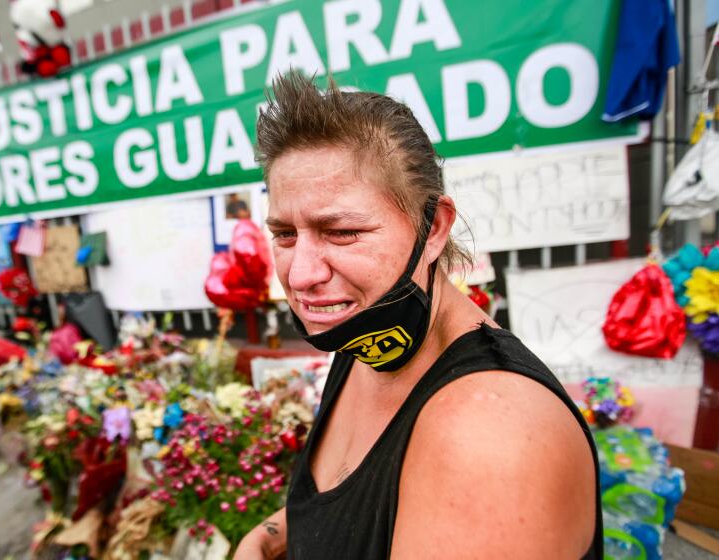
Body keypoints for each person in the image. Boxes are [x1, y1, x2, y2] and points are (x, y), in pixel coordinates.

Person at [235, 73, 600, 559]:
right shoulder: (371, 337)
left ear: (434, 228)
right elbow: (356, 502)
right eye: (284, 234)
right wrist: (265, 538)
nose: (300, 275)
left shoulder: (489, 434)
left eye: (341, 232)